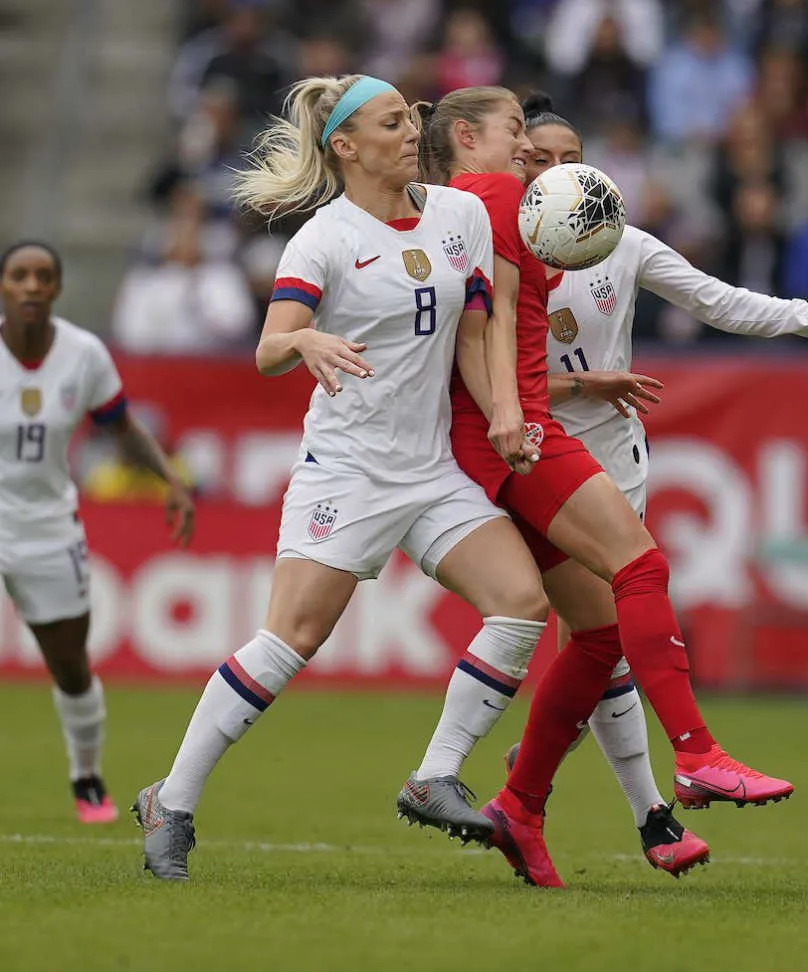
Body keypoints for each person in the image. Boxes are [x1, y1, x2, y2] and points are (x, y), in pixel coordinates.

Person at [398, 85, 808, 888]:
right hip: (529, 447)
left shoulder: (585, 234)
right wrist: (535, 406)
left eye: (564, 159)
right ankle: (683, 772)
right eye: (528, 146)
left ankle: (522, 802)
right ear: (485, 142)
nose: (541, 164)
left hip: (570, 453)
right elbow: (484, 335)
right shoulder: (490, 205)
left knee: (601, 632)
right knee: (638, 576)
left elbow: (713, 300)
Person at [130, 74, 550, 881]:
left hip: (427, 469)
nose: (410, 131)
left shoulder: (456, 213)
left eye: (412, 117)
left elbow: (475, 327)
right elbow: (265, 348)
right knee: (293, 640)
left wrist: (504, 408)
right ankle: (171, 801)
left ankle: (433, 776)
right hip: (348, 472)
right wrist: (307, 343)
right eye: (393, 122)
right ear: (347, 148)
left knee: (521, 604)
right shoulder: (323, 238)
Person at [0, 241, 194, 823]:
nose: (32, 285)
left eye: (44, 276)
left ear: (56, 288)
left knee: (70, 665)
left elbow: (120, 426)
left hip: (47, 528)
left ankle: (86, 776)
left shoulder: (83, 354)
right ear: (4, 287)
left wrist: (169, 480)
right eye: (19, 276)